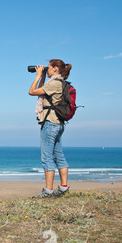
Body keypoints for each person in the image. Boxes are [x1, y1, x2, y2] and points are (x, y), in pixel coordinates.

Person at [29, 59, 71, 198]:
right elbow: (42, 93)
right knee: (59, 156)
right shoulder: (60, 83)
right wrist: (42, 76)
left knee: (47, 157)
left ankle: (48, 191)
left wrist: (37, 76)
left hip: (50, 123)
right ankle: (63, 188)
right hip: (58, 123)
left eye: (49, 68)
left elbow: (32, 91)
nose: (47, 70)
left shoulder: (54, 83)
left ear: (55, 69)